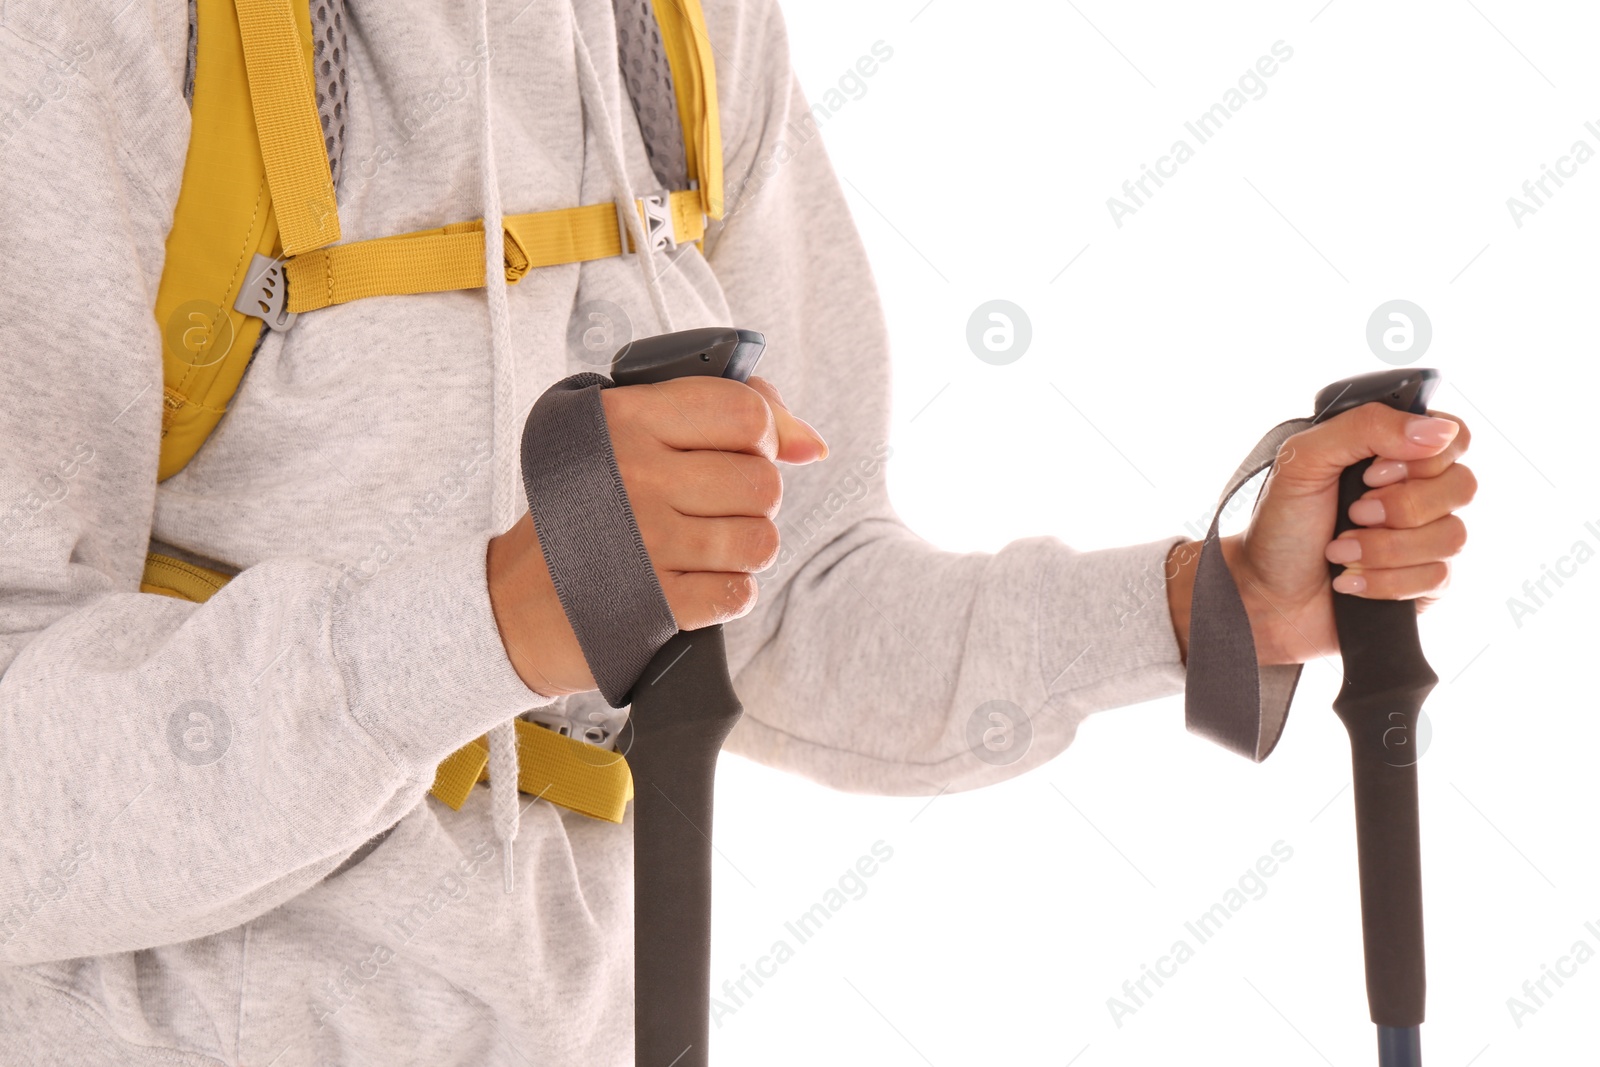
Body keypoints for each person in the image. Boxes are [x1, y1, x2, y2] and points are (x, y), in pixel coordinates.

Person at [0, 0, 1474, 1063]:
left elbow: (790, 601)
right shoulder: (87, 39)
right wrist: (497, 617)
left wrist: (1209, 605)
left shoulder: (673, 31)